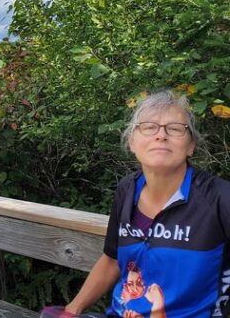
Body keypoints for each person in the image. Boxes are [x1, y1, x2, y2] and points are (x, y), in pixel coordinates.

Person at [54, 89, 230, 317]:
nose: (161, 135)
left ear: (191, 146)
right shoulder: (127, 190)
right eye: (149, 127)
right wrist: (71, 311)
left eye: (175, 129)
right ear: (132, 143)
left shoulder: (218, 198)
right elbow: (111, 259)